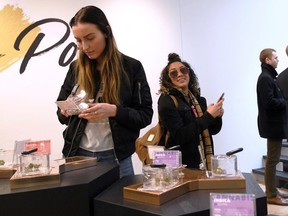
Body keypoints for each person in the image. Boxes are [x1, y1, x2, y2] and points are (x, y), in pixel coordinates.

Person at [56, 6, 153, 178]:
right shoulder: (75, 68)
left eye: (90, 38)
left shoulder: (131, 68)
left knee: (116, 205)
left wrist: (114, 111)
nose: (84, 46)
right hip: (77, 154)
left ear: (106, 32)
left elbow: (145, 115)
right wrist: (65, 111)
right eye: (78, 40)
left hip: (116, 157)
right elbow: (61, 113)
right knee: (78, 205)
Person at [157, 53, 223, 171]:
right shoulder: (166, 101)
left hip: (202, 161)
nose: (180, 74)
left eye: (183, 70)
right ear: (168, 79)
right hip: (180, 166)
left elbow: (212, 130)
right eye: (173, 73)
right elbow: (181, 136)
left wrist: (216, 116)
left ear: (189, 73)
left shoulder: (197, 98)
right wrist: (208, 116)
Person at [257, 48, 288, 205]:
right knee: (272, 160)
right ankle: (271, 194)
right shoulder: (265, 78)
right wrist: (285, 102)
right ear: (267, 60)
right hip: (272, 126)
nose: (278, 60)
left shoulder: (269, 77)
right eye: (275, 57)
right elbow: (268, 102)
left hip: (273, 125)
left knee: (272, 159)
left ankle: (273, 190)